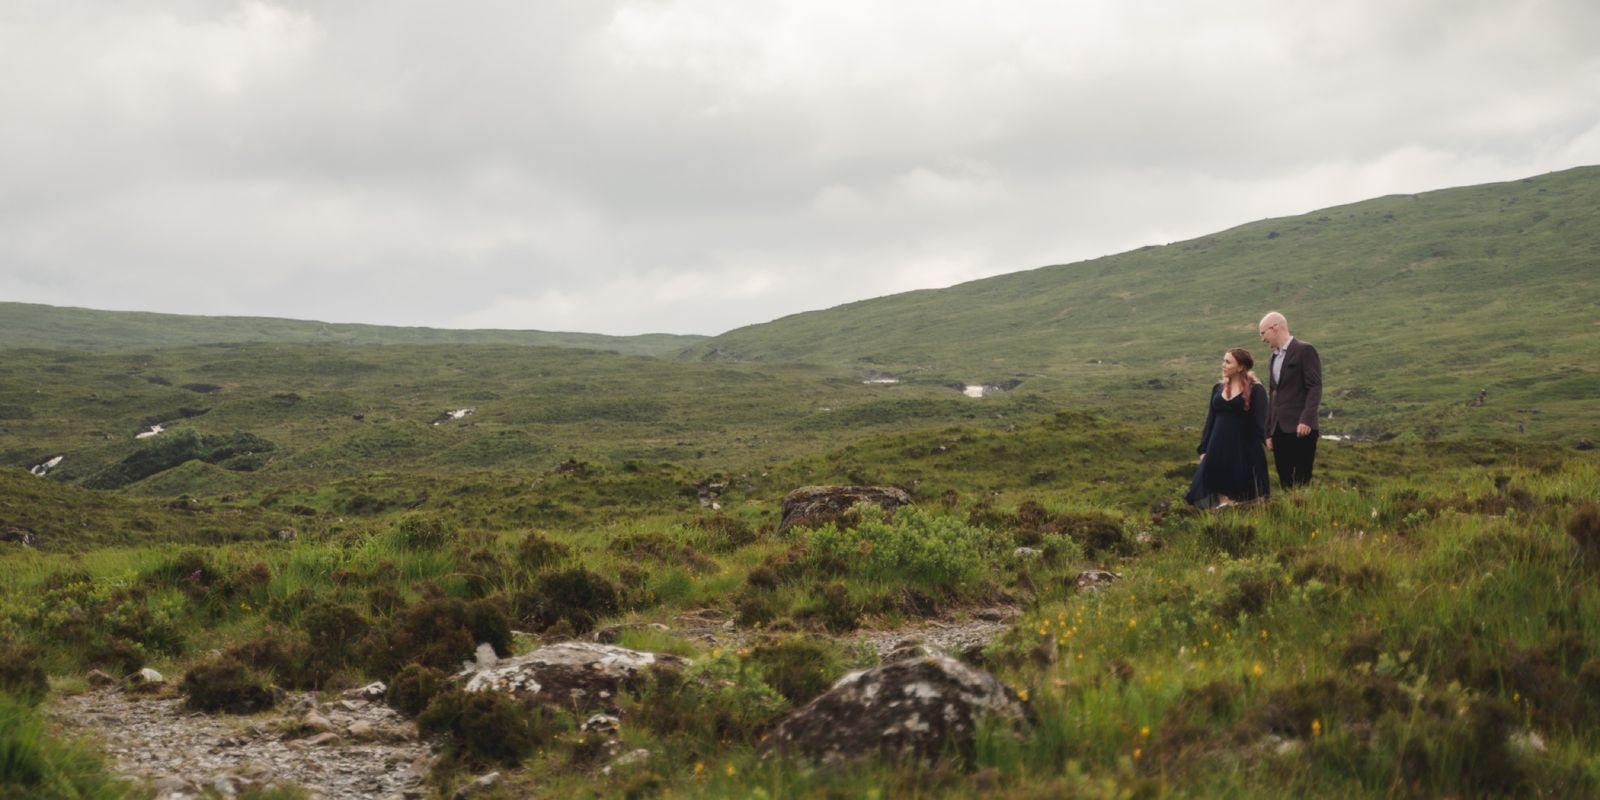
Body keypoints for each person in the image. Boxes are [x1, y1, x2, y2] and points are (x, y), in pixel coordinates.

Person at [1185, 348, 1271, 508]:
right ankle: (1221, 518)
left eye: (1228, 362)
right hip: (1217, 446)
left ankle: (1236, 519)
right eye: (1223, 360)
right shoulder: (1217, 388)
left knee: (1240, 490)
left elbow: (1261, 421)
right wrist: (1204, 448)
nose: (1223, 365)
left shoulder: (1256, 390)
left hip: (1243, 447)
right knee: (1214, 484)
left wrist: (1268, 440)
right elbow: (1210, 419)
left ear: (1240, 367)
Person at [1258, 311, 1322, 489]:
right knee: (1284, 479)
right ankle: (1289, 513)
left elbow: (1315, 387)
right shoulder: (1272, 358)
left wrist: (1306, 419)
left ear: (1275, 328)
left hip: (1302, 428)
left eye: (1263, 333)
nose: (1262, 339)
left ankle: (1303, 513)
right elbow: (1273, 394)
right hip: (1279, 429)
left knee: (1302, 479)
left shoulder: (1304, 350)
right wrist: (1268, 432)